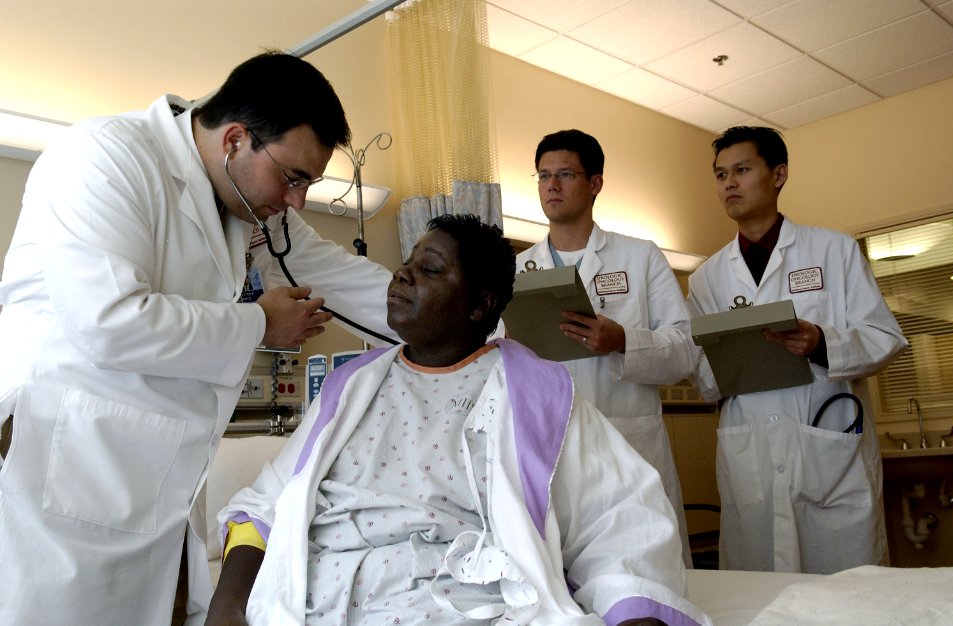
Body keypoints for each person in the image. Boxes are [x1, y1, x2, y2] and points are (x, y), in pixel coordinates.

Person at [0, 52, 397, 625]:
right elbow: (110, 323)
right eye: (293, 178)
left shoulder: (251, 208)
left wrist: (468, 322)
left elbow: (340, 277)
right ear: (235, 139)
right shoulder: (104, 158)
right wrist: (261, 323)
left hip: (158, 483)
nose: (297, 201)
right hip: (65, 469)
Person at [207, 214, 711, 626]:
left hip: (454, 607)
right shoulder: (350, 388)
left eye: (429, 269)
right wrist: (227, 609)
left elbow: (620, 520)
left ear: (481, 305)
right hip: (313, 604)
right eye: (405, 264)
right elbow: (263, 509)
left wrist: (634, 615)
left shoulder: (535, 393)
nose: (402, 275)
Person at [686, 126, 907, 574]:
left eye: (742, 170)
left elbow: (884, 337)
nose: (729, 183)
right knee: (762, 596)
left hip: (827, 450)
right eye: (720, 174)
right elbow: (703, 374)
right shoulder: (708, 277)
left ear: (779, 174)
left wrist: (822, 342)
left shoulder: (834, 250)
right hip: (751, 453)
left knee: (848, 594)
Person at [516, 129, 697, 566]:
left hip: (628, 442)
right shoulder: (517, 272)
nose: (552, 186)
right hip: (550, 450)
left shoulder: (640, 256)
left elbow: (686, 350)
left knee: (647, 570)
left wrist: (624, 341)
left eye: (564, 174)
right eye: (543, 176)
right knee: (566, 579)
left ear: (594, 183)